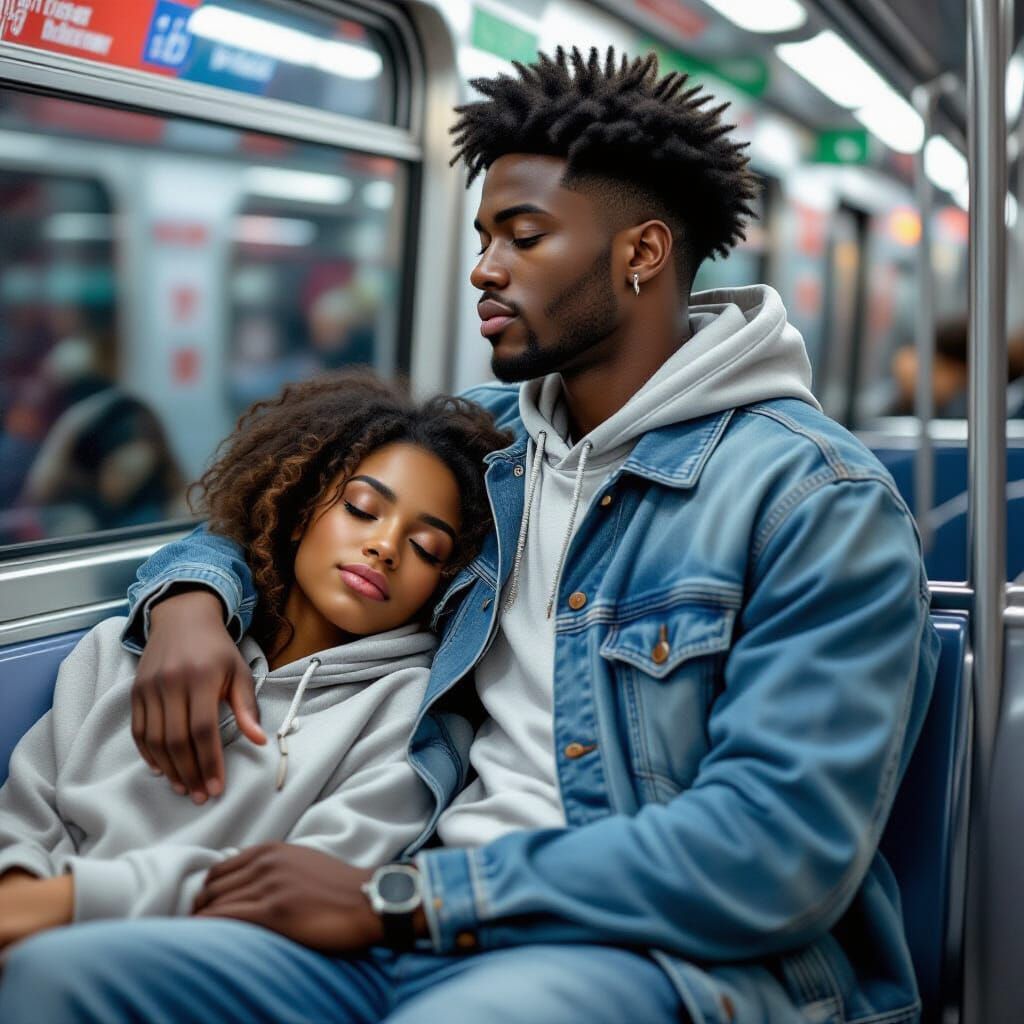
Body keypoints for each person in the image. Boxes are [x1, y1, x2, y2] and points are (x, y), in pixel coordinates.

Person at [0, 48, 940, 1024]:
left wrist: (406, 900)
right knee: (64, 978)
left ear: (641, 253)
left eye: (522, 237)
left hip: (650, 954)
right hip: (414, 921)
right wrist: (192, 598)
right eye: (484, 235)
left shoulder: (816, 501)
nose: (483, 269)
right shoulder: (486, 446)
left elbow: (773, 851)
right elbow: (285, 514)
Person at [0, 370, 508, 948]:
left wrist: (60, 906)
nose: (385, 547)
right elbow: (22, 815)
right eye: (362, 510)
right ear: (300, 504)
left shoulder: (409, 728)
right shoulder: (125, 646)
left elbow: (296, 900)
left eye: (425, 547)